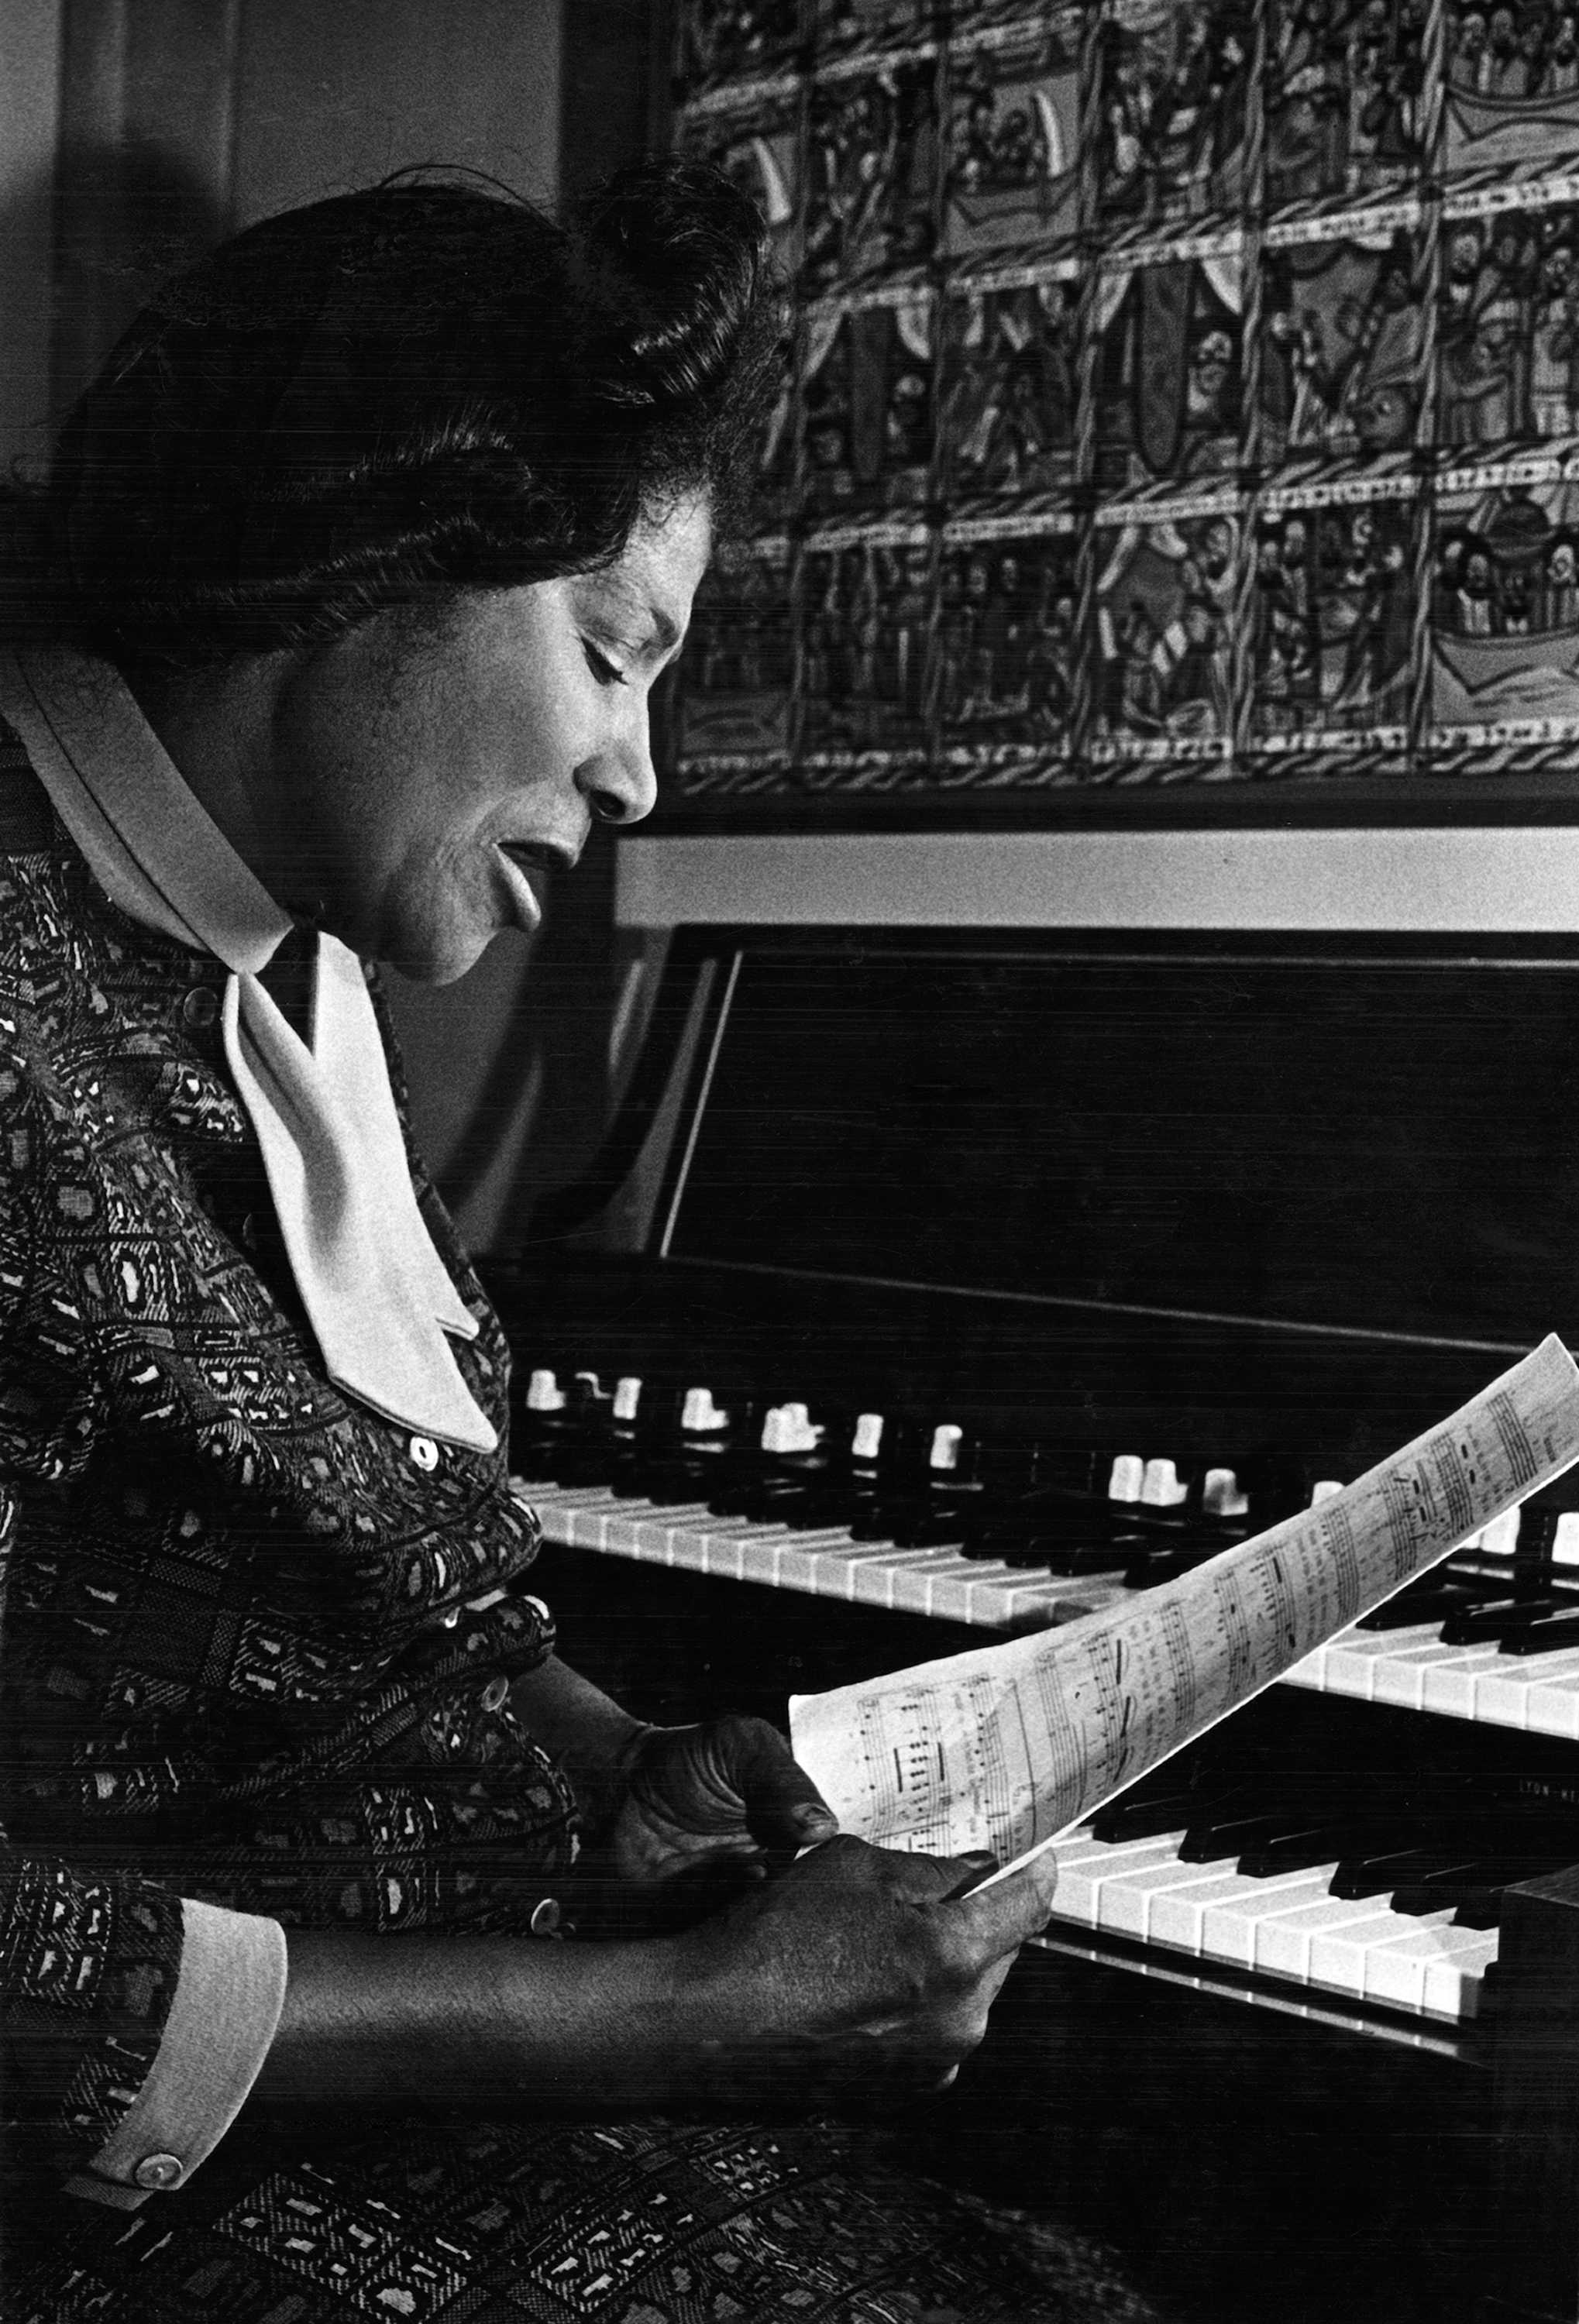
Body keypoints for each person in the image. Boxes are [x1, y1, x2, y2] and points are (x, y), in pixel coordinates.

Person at [0, 165, 1159, 2322]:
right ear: (369, 550)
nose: (636, 771)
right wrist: (671, 2022)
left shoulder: (270, 946)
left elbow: (324, 1576)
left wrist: (599, 1752)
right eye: (613, 653)